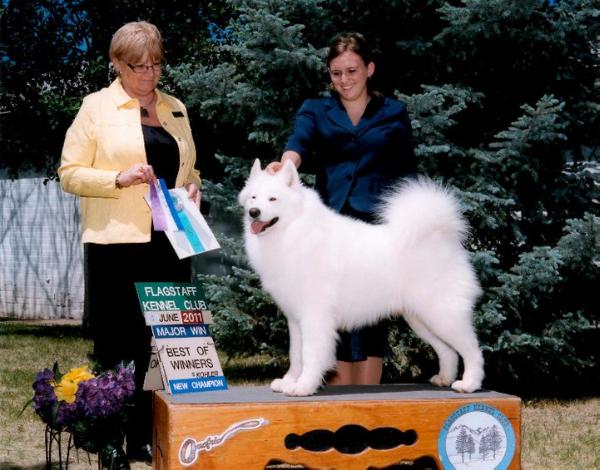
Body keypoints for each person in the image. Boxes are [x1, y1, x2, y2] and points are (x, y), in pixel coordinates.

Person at [59, 21, 201, 468]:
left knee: (162, 346)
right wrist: (117, 178)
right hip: (117, 245)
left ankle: (147, 438)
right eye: (138, 66)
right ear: (116, 64)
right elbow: (69, 173)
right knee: (117, 344)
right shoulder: (95, 107)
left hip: (170, 242)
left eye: (156, 64)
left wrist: (194, 189)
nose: (149, 74)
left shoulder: (175, 107)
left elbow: (188, 170)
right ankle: (108, 442)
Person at [267, 32, 417, 387]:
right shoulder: (316, 109)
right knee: (327, 307)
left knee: (370, 312)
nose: (344, 80)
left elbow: (408, 172)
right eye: (336, 73)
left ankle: (367, 400)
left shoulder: (394, 112)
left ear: (369, 69)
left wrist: (409, 227)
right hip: (329, 224)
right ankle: (338, 406)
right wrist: (284, 165)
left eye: (352, 71)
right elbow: (297, 144)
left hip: (377, 224)